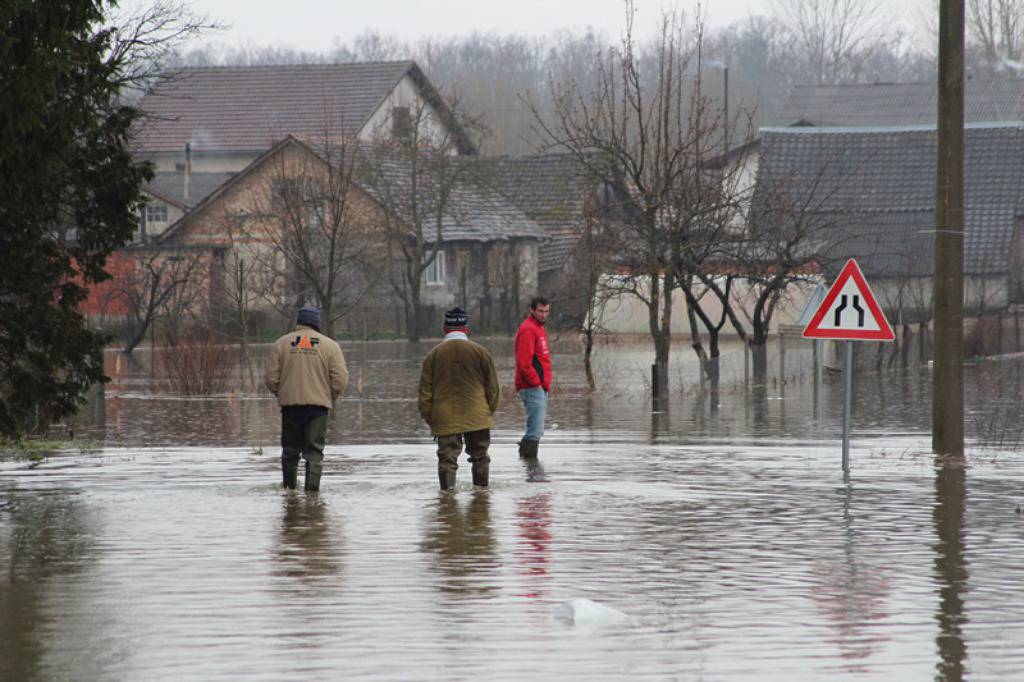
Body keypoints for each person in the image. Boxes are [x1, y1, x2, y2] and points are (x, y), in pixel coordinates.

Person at [265, 306, 348, 492]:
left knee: (290, 452)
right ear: (317, 323)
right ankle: (312, 495)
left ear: (299, 322)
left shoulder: (281, 344)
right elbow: (340, 380)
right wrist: (328, 397)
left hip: (290, 408)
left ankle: (289, 491)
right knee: (314, 453)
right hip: (317, 409)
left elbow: (270, 379)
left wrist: (285, 393)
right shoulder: (330, 346)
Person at [418, 307, 500, 490]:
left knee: (447, 459)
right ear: (465, 328)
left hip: (444, 416)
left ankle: (447, 498)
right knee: (480, 456)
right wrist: (487, 412)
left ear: (445, 328)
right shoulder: (481, 353)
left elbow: (424, 394)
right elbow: (493, 389)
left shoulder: (433, 356)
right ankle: (481, 497)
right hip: (477, 415)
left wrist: (431, 419)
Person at [514, 296, 552, 459]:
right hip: (531, 387)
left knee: (537, 430)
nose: (544, 315)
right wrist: (537, 383)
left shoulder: (539, 328)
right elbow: (524, 363)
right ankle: (530, 469)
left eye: (546, 311)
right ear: (532, 310)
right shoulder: (528, 329)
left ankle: (528, 466)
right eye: (540, 311)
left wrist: (544, 385)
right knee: (535, 431)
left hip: (540, 387)